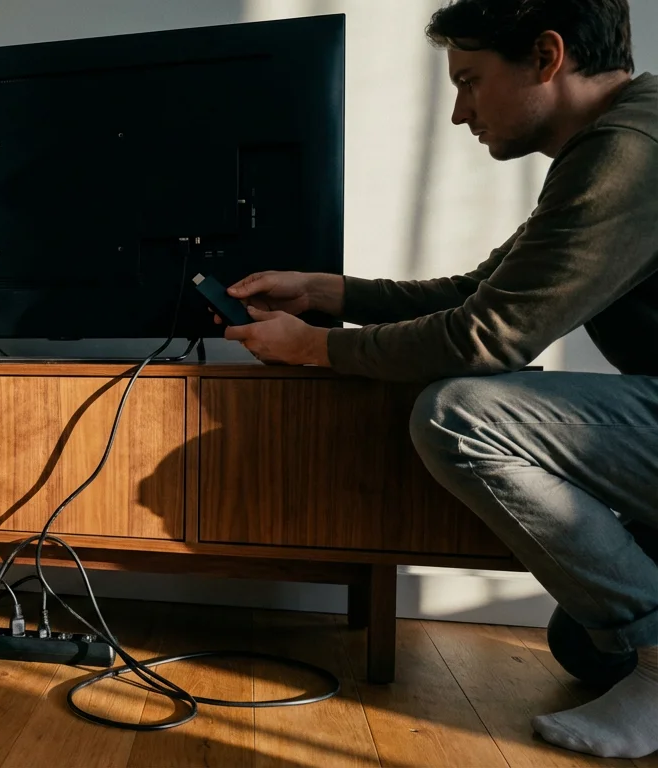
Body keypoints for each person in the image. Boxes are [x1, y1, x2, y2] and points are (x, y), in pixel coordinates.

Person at [213, 0, 658, 758]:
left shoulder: (630, 152)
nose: (458, 113)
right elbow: (479, 292)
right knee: (587, 648)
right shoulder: (614, 141)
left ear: (547, 57)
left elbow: (490, 337)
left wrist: (316, 350)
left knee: (459, 413)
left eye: (471, 81)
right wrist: (333, 293)